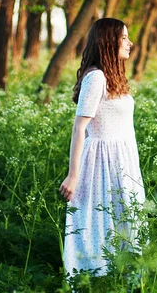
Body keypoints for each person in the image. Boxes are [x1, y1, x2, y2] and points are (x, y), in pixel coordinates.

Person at [59, 18, 145, 278]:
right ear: (108, 42)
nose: (130, 43)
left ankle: (123, 273)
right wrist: (73, 176)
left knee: (126, 215)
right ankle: (95, 277)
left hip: (124, 157)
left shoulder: (113, 76)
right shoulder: (95, 77)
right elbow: (79, 128)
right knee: (100, 217)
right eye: (124, 38)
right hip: (102, 159)